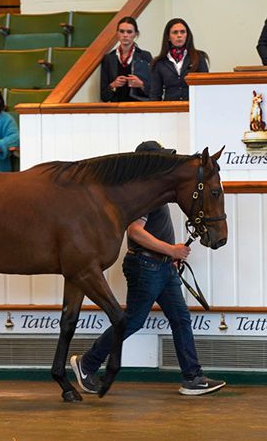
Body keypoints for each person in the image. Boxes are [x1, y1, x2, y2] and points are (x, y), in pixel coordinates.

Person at [70, 141, 226, 396]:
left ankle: (193, 378)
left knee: (180, 319)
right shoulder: (144, 197)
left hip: (161, 266)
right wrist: (171, 250)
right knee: (133, 321)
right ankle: (87, 363)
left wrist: (170, 256)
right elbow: (134, 232)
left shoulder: (156, 193)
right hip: (147, 266)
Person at [149, 18, 209, 101]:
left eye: (182, 32)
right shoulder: (159, 62)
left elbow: (205, 88)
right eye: (175, 32)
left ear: (187, 35)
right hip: (169, 109)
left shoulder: (199, 57)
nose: (179, 35)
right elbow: (155, 94)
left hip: (194, 108)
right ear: (168, 37)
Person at [100, 16, 152, 102]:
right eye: (122, 31)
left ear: (136, 34)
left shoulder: (145, 56)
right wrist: (113, 85)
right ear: (117, 34)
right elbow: (104, 96)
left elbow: (153, 91)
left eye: (129, 32)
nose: (125, 35)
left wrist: (141, 84)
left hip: (139, 107)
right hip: (116, 108)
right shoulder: (108, 58)